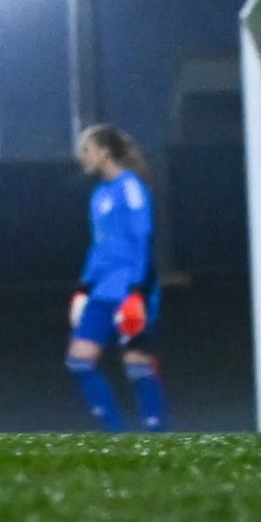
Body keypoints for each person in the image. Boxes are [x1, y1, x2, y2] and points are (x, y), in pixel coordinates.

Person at [68, 123, 167, 431]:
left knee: (136, 366)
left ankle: (158, 436)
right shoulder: (99, 195)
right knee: (79, 362)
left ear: (104, 151)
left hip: (131, 290)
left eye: (86, 149)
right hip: (102, 291)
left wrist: (137, 290)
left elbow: (142, 238)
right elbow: (99, 246)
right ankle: (115, 435)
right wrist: (83, 288)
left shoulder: (131, 187)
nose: (81, 156)